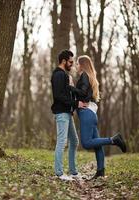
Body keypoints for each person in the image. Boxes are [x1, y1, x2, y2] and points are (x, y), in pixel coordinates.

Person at [69, 55, 127, 179]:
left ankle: (113, 140)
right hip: (91, 114)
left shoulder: (84, 76)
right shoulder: (90, 77)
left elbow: (83, 93)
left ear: (83, 65)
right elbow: (87, 94)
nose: (77, 66)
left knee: (86, 143)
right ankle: (100, 171)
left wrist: (71, 88)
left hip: (86, 114)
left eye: (78, 64)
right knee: (97, 145)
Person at [51, 50, 88, 181]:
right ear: (64, 61)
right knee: (62, 142)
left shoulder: (64, 75)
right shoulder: (58, 75)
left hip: (67, 112)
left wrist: (70, 86)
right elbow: (58, 96)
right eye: (71, 62)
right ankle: (59, 173)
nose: (72, 64)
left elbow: (65, 93)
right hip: (61, 113)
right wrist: (75, 103)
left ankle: (73, 172)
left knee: (74, 141)